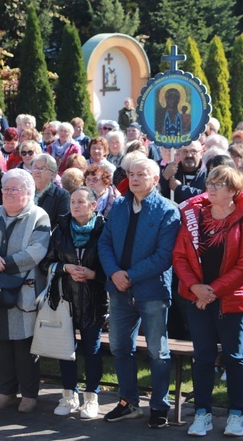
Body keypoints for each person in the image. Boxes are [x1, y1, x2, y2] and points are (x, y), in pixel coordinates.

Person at [173, 166, 243, 437]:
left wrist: (211, 290)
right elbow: (180, 256)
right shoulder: (194, 216)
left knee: (234, 358)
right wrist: (195, 287)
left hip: (231, 301)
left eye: (219, 184)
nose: (210, 188)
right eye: (209, 182)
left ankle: (237, 414)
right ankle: (202, 413)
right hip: (197, 298)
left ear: (234, 190)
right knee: (202, 358)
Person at [98, 158, 180, 428]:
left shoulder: (168, 211)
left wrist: (130, 276)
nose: (134, 178)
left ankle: (159, 406)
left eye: (141, 174)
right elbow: (105, 243)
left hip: (152, 291)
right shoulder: (119, 206)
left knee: (158, 351)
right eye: (131, 174)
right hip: (119, 290)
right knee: (121, 347)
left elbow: (164, 256)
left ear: (156, 179)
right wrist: (114, 273)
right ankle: (128, 402)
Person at [0, 168, 51, 413]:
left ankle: (29, 395)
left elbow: (37, 251)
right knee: (1, 343)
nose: (7, 193)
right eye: (5, 188)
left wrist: (2, 264)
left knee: (25, 345)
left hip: (22, 291)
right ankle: (6, 391)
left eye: (13, 189)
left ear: (28, 192)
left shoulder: (39, 216)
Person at [42, 186, 108, 418]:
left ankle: (92, 398)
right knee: (65, 350)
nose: (76, 206)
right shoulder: (60, 229)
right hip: (65, 299)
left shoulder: (104, 229)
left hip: (94, 300)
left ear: (93, 205)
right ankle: (69, 396)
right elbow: (46, 263)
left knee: (92, 350)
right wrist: (65, 267)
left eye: (81, 202)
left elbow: (112, 267)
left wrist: (94, 275)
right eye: (72, 202)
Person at [32, 154, 69, 226]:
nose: (37, 171)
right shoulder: (25, 192)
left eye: (42, 168)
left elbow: (62, 225)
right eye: (35, 168)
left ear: (52, 174)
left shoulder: (61, 195)